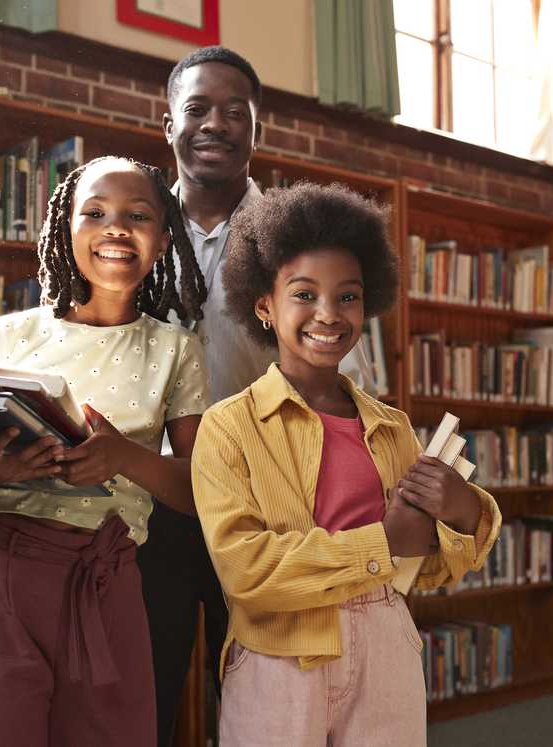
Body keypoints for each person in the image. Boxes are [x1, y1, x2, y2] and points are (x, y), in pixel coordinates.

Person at [0, 156, 209, 747]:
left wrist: (123, 458)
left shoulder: (177, 350)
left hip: (107, 584)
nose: (116, 227)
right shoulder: (10, 337)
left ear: (163, 240)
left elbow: (200, 492)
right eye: (95, 213)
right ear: (65, 228)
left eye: (137, 216)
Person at [191, 182, 502, 746]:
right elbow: (247, 571)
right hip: (278, 656)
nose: (328, 315)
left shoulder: (392, 427)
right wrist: (380, 543)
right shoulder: (227, 428)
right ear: (265, 304)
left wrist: (463, 513)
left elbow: (428, 567)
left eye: (348, 297)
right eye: (304, 294)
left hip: (385, 644)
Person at [139, 45, 379, 747]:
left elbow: (347, 366)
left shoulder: (298, 236)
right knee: (145, 688)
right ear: (168, 125)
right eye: (197, 109)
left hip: (270, 500)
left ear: (257, 131)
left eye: (235, 111)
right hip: (158, 499)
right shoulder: (133, 226)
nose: (215, 123)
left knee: (268, 696)